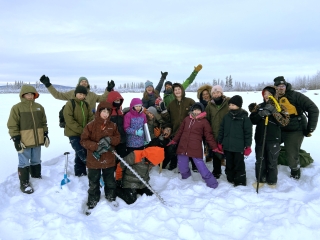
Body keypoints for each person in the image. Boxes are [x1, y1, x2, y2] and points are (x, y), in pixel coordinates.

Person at [273, 76, 319, 179]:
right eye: (278, 86)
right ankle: (271, 165)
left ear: (285, 86)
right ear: (275, 87)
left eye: (282, 86)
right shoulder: (272, 98)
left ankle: (295, 170)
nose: (281, 88)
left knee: (291, 153)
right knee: (269, 145)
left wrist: (310, 127)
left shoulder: (296, 96)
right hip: (279, 128)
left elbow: (313, 109)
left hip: (295, 129)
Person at [167, 102, 222, 188]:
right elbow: (180, 132)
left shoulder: (204, 122)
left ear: (202, 111)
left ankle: (212, 182)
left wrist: (214, 147)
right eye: (195, 109)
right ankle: (186, 179)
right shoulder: (187, 119)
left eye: (198, 110)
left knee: (200, 166)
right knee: (182, 165)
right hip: (183, 146)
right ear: (192, 110)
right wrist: (174, 141)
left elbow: (209, 135)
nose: (196, 111)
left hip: (195, 147)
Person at [7, 85, 49, 194]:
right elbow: (12, 125)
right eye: (27, 94)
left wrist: (45, 134)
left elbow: (44, 122)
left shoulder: (39, 107)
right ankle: (24, 183)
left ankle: (36, 177)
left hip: (37, 140)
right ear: (23, 95)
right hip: (24, 141)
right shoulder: (17, 108)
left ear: (34, 95)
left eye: (32, 94)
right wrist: (16, 139)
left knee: (36, 160)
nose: (30, 96)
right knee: (24, 162)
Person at [80, 101, 121, 210]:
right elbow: (83, 140)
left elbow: (118, 139)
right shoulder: (90, 126)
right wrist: (95, 146)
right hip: (94, 160)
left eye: (108, 111)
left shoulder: (113, 126)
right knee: (93, 182)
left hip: (109, 159)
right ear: (98, 112)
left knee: (110, 181)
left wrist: (110, 139)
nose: (105, 114)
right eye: (103, 111)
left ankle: (111, 197)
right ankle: (93, 200)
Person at [249, 86, 290, 188]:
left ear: (274, 95)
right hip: (260, 138)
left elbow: (285, 122)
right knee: (260, 160)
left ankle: (272, 181)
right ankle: (260, 179)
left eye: (269, 94)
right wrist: (260, 114)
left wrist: (274, 112)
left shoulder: (281, 107)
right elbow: (252, 120)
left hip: (274, 139)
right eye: (265, 94)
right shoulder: (259, 107)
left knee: (272, 161)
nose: (266, 96)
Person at [218, 95, 252, 186]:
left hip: (238, 147)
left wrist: (248, 145)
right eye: (230, 105)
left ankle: (240, 180)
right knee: (229, 163)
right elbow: (221, 130)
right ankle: (230, 177)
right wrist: (220, 142)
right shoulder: (226, 117)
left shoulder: (244, 118)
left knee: (239, 164)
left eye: (233, 104)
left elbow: (248, 133)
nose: (231, 106)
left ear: (239, 105)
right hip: (228, 146)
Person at [161, 83, 196, 171]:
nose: (177, 91)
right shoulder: (171, 104)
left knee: (190, 148)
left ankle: (194, 165)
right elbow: (168, 119)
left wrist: (193, 114)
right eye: (175, 90)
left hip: (189, 131)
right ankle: (173, 164)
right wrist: (164, 111)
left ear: (182, 90)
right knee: (175, 149)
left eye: (179, 89)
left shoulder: (190, 101)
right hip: (176, 130)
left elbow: (198, 113)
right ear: (173, 92)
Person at [39, 75, 114, 113]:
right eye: (82, 81)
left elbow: (103, 98)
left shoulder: (92, 95)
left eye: (86, 81)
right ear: (79, 83)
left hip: (90, 123)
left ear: (88, 84)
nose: (84, 82)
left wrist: (108, 89)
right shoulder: (72, 93)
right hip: (76, 123)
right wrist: (48, 85)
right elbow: (57, 95)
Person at [64, 85, 94, 176]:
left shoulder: (86, 104)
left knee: (82, 151)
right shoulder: (70, 103)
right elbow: (69, 120)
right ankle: (89, 166)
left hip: (84, 133)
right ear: (76, 94)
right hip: (73, 133)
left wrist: (88, 129)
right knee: (80, 151)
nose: (82, 96)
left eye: (84, 94)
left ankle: (80, 171)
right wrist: (82, 130)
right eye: (80, 94)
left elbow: (91, 117)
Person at [205, 85, 230, 178]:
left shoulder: (228, 102)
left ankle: (229, 171)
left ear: (221, 93)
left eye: (218, 92)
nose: (216, 94)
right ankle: (216, 171)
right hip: (215, 133)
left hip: (227, 133)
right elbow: (207, 120)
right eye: (214, 93)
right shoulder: (209, 105)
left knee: (228, 153)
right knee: (216, 154)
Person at [106, 91, 127, 158]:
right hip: (112, 139)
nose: (118, 102)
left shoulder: (120, 110)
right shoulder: (107, 111)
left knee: (122, 156)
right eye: (116, 100)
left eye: (119, 100)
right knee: (112, 157)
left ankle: (121, 168)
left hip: (122, 138)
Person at [197, 84, 212, 162]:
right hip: (203, 127)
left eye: (207, 94)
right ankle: (208, 157)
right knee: (206, 143)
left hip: (213, 125)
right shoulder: (200, 105)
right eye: (203, 94)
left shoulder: (213, 103)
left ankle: (221, 158)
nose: (205, 96)